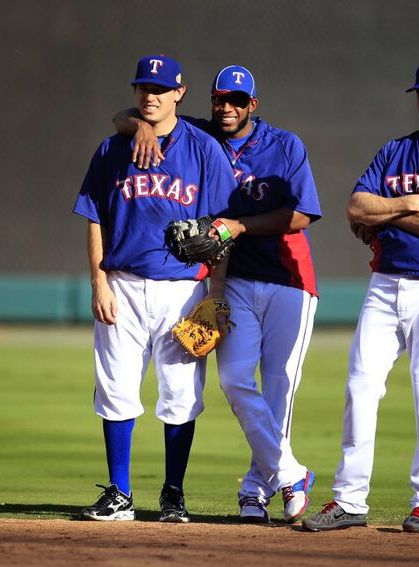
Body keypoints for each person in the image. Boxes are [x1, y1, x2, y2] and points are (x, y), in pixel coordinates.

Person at [114, 65, 321, 524]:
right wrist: (144, 126)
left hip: (290, 280)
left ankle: (254, 490)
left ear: (253, 105)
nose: (226, 108)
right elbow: (122, 117)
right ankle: (290, 475)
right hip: (235, 281)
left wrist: (241, 225)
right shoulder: (197, 135)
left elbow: (302, 215)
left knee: (280, 388)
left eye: (236, 101)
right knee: (233, 380)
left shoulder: (285, 145)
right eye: (219, 99)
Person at [302, 60, 419, 533]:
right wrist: (410, 203)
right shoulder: (394, 151)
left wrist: (384, 214)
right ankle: (349, 501)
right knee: (360, 387)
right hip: (385, 283)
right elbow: (354, 206)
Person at [73, 54, 238, 523]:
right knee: (114, 388)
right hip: (121, 283)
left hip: (183, 289)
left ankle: (173, 494)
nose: (151, 96)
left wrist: (216, 295)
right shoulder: (111, 149)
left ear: (179, 94)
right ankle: (119, 494)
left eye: (160, 89)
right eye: (144, 88)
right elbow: (92, 216)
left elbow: (221, 228)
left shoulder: (205, 150)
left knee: (181, 393)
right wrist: (98, 280)